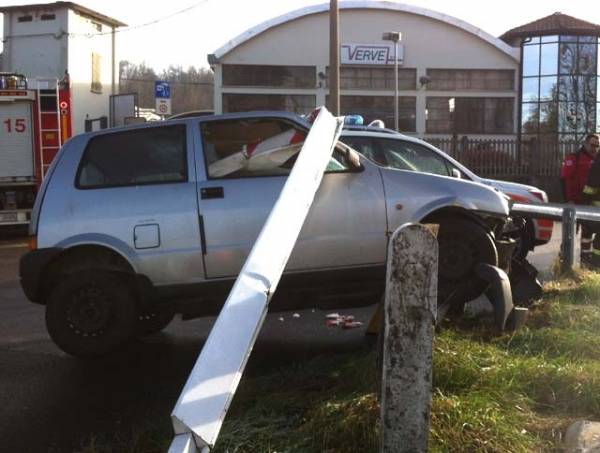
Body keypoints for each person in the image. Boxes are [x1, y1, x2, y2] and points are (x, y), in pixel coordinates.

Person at [575, 133, 600, 264]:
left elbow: (591, 185)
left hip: (593, 208)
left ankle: (594, 266)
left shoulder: (598, 160)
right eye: (593, 145)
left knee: (591, 238)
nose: (595, 148)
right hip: (588, 206)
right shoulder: (576, 158)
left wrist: (584, 200)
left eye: (597, 146)